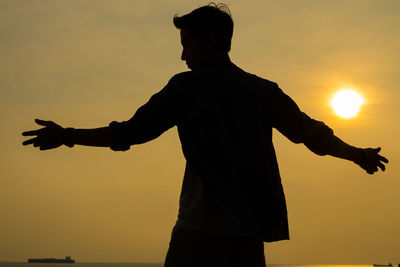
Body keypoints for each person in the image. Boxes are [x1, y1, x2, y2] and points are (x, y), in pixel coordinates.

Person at [22, 3, 388, 267]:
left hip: (197, 235)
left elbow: (130, 133)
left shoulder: (186, 89)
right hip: (247, 237)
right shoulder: (262, 92)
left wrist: (69, 135)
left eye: (187, 44)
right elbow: (312, 136)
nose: (183, 55)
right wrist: (357, 154)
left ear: (209, 42)